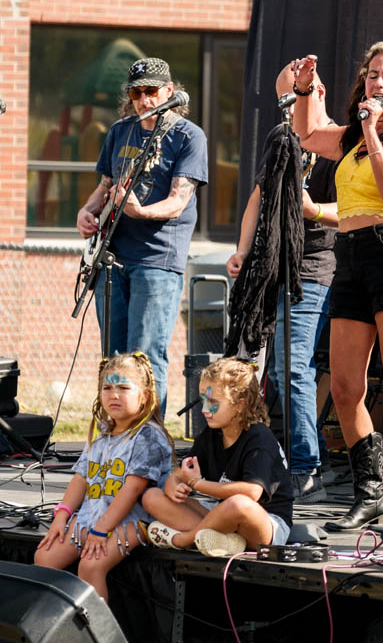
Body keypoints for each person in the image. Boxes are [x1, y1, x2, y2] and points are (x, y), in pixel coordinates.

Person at [291, 43, 383, 530]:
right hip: (350, 254)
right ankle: (370, 495)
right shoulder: (352, 135)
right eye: (372, 75)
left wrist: (372, 131)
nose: (378, 83)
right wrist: (305, 90)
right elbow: (309, 134)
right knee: (345, 386)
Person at [226, 64, 338, 502]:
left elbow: (356, 208)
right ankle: (279, 458)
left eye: (293, 99)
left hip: (312, 266)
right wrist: (242, 250)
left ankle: (307, 467)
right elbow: (258, 198)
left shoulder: (337, 143)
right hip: (272, 264)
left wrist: (313, 211)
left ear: (316, 93)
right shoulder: (282, 139)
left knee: (291, 366)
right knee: (262, 366)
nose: (288, 109)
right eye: (283, 102)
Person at [76, 57, 208, 414]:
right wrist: (87, 211)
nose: (143, 99)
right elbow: (105, 185)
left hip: (157, 259)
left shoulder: (188, 136)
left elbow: (178, 202)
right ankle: (115, 433)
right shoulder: (121, 131)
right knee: (113, 357)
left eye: (151, 91)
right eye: (136, 93)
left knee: (145, 356)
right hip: (113, 256)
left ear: (169, 91)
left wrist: (140, 211)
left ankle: (149, 437)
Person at [34, 352, 174, 602]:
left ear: (145, 396)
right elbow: (81, 478)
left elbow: (132, 490)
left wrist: (101, 530)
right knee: (44, 557)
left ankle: (96, 627)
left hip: (133, 519)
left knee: (91, 566)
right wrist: (61, 515)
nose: (114, 395)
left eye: (123, 388)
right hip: (94, 514)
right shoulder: (102, 433)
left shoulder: (147, 436)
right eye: (107, 388)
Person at [143, 357, 293, 556]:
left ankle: (185, 539)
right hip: (221, 512)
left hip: (266, 522)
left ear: (240, 404)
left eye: (213, 402)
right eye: (203, 401)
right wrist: (173, 487)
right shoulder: (211, 433)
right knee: (152, 496)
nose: (204, 410)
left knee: (238, 504)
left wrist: (197, 484)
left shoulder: (260, 439)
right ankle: (223, 540)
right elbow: (178, 476)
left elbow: (251, 493)